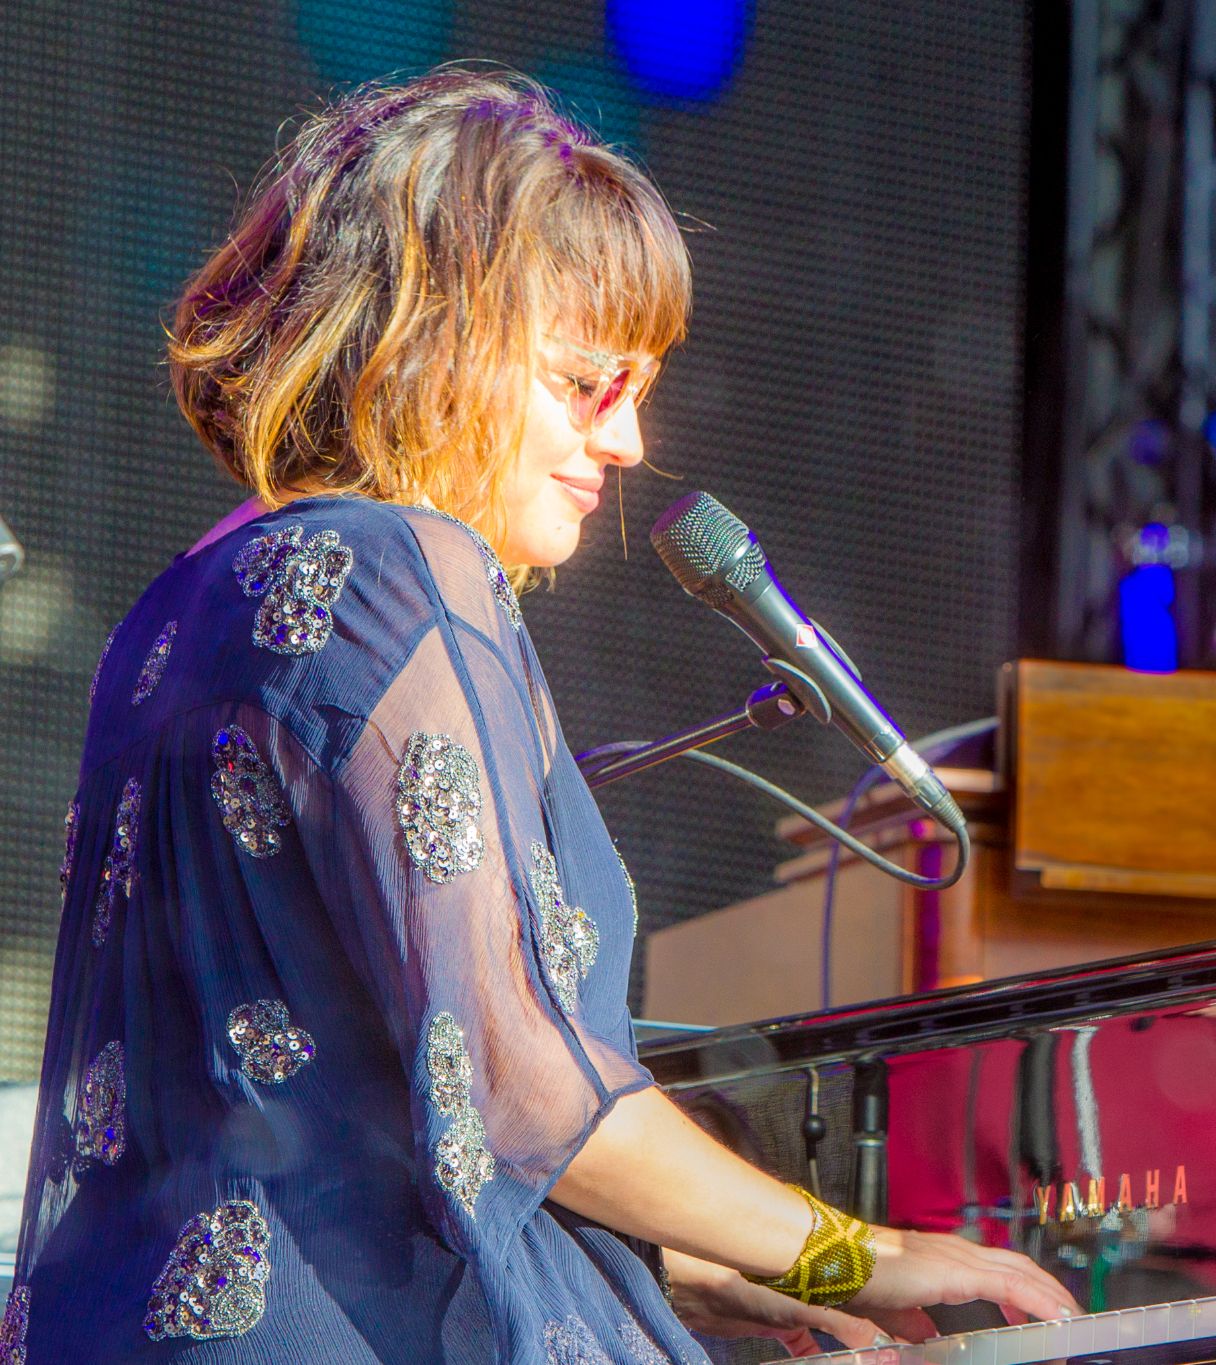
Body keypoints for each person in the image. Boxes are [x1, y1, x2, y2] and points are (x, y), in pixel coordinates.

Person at [3, 68, 1074, 1363]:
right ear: (427, 344)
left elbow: (358, 1113)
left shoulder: (180, 599)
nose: (629, 442)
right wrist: (860, 1248)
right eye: (585, 382)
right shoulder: (405, 572)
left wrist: (712, 1269)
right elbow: (517, 1085)